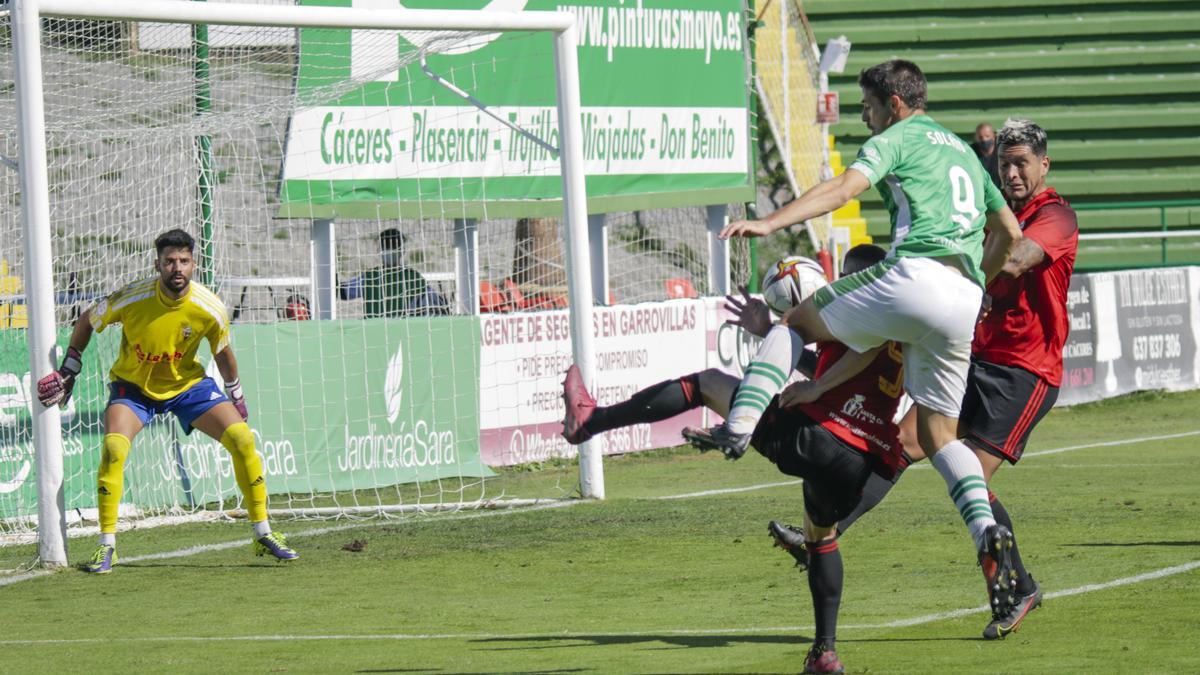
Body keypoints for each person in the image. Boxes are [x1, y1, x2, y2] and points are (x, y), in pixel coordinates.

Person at [685, 59, 1027, 621]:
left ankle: (739, 425)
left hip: (916, 273)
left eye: (867, 107)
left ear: (893, 103)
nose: (864, 118)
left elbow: (845, 187)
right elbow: (1009, 233)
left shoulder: (900, 136)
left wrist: (771, 225)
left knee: (795, 321)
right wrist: (981, 283)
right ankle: (986, 530)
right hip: (963, 298)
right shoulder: (964, 151)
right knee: (941, 438)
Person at [774, 117, 1078, 641]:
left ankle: (1015, 586)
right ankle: (826, 534)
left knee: (971, 480)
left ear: (1043, 166)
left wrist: (976, 277)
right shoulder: (991, 210)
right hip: (975, 351)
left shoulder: (1055, 215)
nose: (1012, 172)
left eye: (1022, 163)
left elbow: (1024, 254)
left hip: (1024, 369)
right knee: (903, 441)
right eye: (1005, 163)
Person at [563, 245, 907, 674]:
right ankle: (825, 652)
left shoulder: (852, 303)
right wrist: (771, 330)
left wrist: (787, 328)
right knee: (821, 538)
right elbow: (843, 359)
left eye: (847, 275)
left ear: (858, 277)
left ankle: (592, 420)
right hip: (862, 456)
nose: (840, 283)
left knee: (708, 383)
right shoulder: (903, 320)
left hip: (818, 435)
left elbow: (826, 344)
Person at [35, 229, 299, 573]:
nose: (177, 267)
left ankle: (263, 533)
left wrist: (236, 394)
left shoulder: (210, 307)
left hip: (188, 387)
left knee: (243, 439)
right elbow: (87, 319)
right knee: (114, 448)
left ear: (194, 263)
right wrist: (71, 364)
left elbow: (222, 353)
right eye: (170, 261)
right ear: (157, 263)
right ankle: (106, 545)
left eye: (184, 261)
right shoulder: (132, 298)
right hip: (134, 388)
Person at [339, 228, 448, 317]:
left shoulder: (370, 277)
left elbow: (342, 292)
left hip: (373, 334)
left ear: (379, 250)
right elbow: (436, 306)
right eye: (387, 246)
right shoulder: (412, 277)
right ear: (403, 250)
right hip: (404, 334)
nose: (390, 250)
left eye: (393, 246)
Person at [972, 122, 1002, 189]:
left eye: (987, 136)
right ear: (976, 138)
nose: (984, 139)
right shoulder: (971, 153)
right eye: (980, 137)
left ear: (993, 136)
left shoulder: (1001, 153)